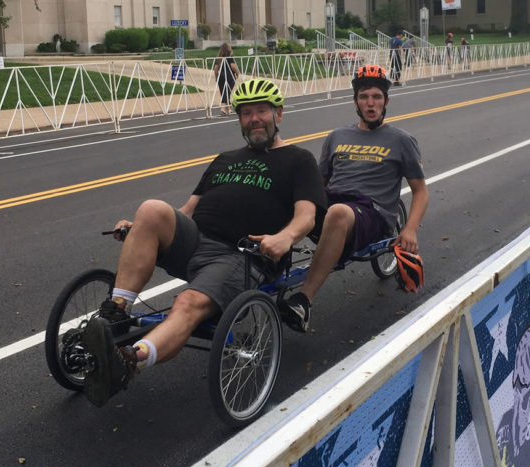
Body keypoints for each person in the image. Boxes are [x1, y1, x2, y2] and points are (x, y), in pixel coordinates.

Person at [80, 78, 327, 407]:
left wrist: (285, 237)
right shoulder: (225, 158)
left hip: (242, 255)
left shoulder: (299, 160)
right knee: (152, 209)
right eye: (246, 113)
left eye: (262, 111)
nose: (254, 118)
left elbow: (307, 215)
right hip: (197, 242)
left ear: (278, 114)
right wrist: (139, 227)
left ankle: (127, 362)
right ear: (239, 120)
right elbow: (187, 211)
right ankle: (115, 314)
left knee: (186, 305)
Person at [278, 65, 428, 333]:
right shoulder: (337, 136)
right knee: (283, 197)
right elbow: (319, 184)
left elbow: (420, 190)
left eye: (377, 97)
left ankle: (303, 302)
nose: (371, 103)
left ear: (386, 101)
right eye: (364, 97)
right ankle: (259, 271)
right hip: (336, 200)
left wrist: (410, 229)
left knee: (337, 212)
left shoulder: (401, 140)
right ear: (356, 101)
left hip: (372, 212)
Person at [214, 42, 240, 115]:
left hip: (221, 76)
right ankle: (222, 107)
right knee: (227, 92)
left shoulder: (218, 58)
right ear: (228, 49)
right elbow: (233, 66)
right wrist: (237, 73)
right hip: (229, 76)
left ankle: (228, 109)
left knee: (224, 92)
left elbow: (216, 68)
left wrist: (216, 77)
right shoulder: (229, 57)